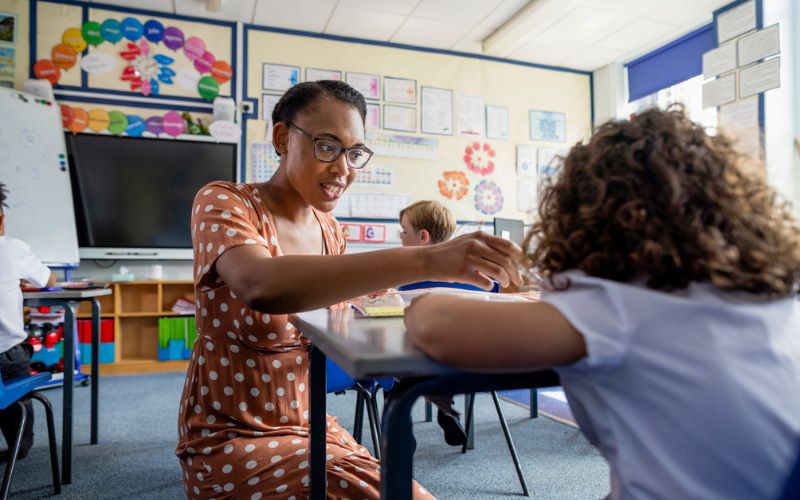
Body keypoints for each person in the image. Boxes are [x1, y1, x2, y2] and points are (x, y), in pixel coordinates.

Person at [405, 107, 800, 500]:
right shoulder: (768, 295)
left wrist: (417, 298)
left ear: (587, 212)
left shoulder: (619, 304)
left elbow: (433, 325)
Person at [176, 80, 522, 499]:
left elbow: (342, 319)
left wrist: (427, 320)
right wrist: (427, 260)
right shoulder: (225, 201)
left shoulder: (330, 231)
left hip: (311, 425)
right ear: (283, 138)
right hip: (229, 436)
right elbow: (260, 284)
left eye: (355, 153)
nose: (344, 169)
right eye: (327, 146)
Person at [397, 200, 468, 446]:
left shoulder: (407, 276)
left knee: (395, 372)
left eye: (404, 232)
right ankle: (446, 408)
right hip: (462, 363)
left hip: (413, 361)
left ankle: (401, 426)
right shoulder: (465, 273)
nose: (401, 238)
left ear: (423, 237)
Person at [0, 182, 57, 461]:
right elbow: (50, 280)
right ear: (1, 218)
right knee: (20, 357)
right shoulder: (12, 248)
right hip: (6, 357)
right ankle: (19, 447)